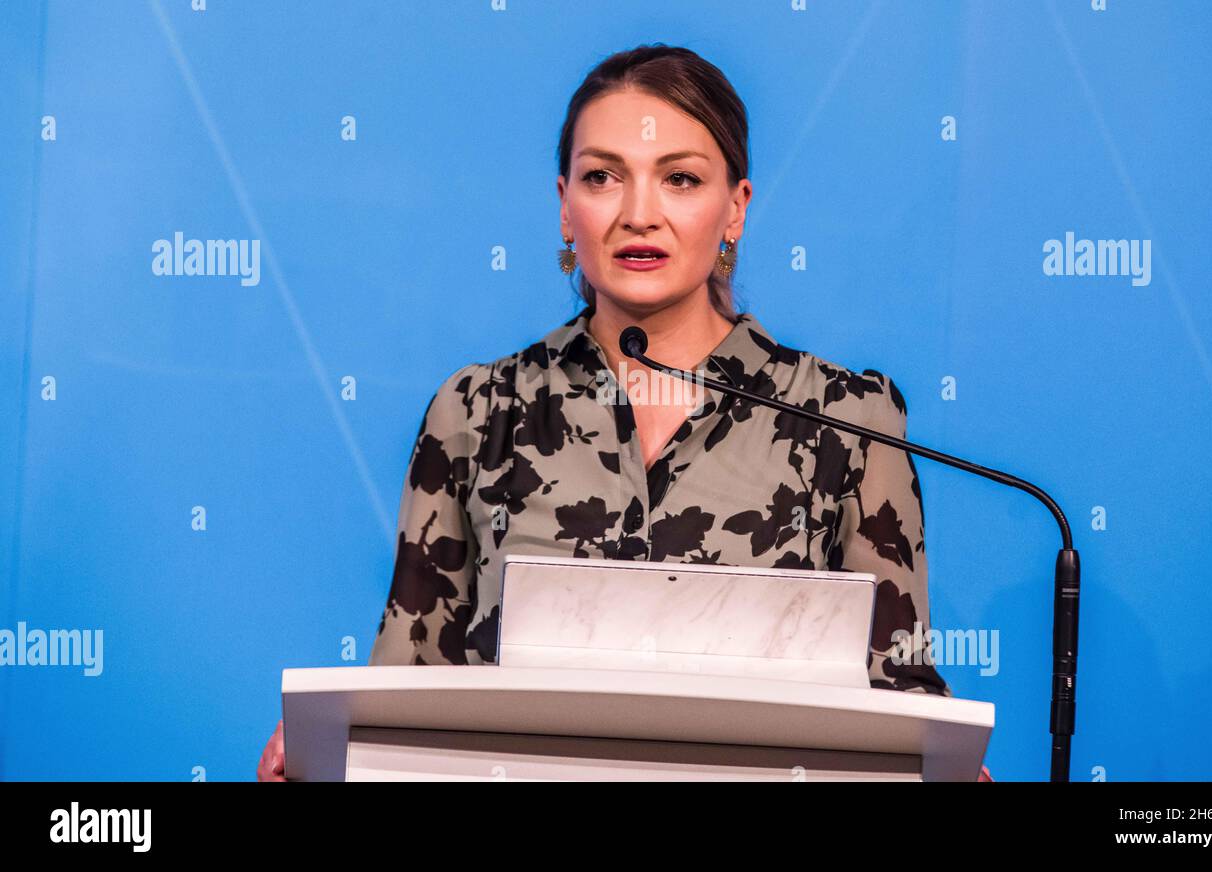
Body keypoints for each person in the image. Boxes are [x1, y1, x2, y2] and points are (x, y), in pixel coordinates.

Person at [260, 43, 991, 782]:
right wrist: (326, 754)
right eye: (603, 177)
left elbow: (901, 695)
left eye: (680, 179)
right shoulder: (478, 414)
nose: (639, 214)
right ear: (565, 206)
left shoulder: (847, 420)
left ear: (735, 208)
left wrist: (943, 764)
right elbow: (405, 690)